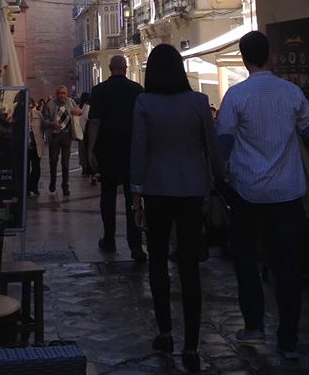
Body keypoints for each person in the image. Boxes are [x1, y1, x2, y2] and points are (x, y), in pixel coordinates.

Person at [216, 30, 309, 362]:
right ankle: (288, 339)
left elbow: (225, 143)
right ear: (271, 55)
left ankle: (254, 324)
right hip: (288, 191)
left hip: (247, 190)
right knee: (288, 264)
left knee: (246, 258)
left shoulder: (235, 96)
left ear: (245, 59)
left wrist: (223, 173)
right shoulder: (292, 92)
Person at [130, 43, 223, 373]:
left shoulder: (144, 103)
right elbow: (213, 148)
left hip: (156, 189)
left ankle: (165, 331)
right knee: (188, 266)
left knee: (157, 259)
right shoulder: (198, 102)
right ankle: (192, 343)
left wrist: (136, 196)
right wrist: (216, 181)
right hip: (191, 190)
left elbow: (138, 151)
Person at [88, 54, 145, 261]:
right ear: (126, 67)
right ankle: (136, 246)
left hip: (107, 150)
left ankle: (109, 238)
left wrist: (90, 150)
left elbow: (94, 122)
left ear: (110, 68)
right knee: (134, 198)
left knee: (108, 195)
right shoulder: (137, 90)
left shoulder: (99, 91)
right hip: (131, 150)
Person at [41, 84, 83, 196]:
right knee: (53, 160)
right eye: (59, 93)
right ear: (56, 94)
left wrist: (77, 112)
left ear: (66, 94)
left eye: (64, 93)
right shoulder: (50, 104)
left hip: (66, 135)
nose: (62, 95)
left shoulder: (70, 102)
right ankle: (53, 182)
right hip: (54, 136)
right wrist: (52, 124)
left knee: (65, 162)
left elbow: (80, 111)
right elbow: (44, 121)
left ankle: (65, 186)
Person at [27, 98, 44, 196]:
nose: (29, 106)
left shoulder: (38, 114)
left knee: (36, 167)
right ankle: (26, 188)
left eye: (31, 104)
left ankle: (34, 186)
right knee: (25, 167)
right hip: (26, 146)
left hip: (36, 145)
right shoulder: (20, 114)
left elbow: (44, 124)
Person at [78, 92, 91, 176]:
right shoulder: (88, 107)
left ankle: (84, 167)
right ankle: (88, 167)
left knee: (82, 150)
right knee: (88, 149)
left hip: (80, 132)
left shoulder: (79, 107)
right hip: (88, 131)